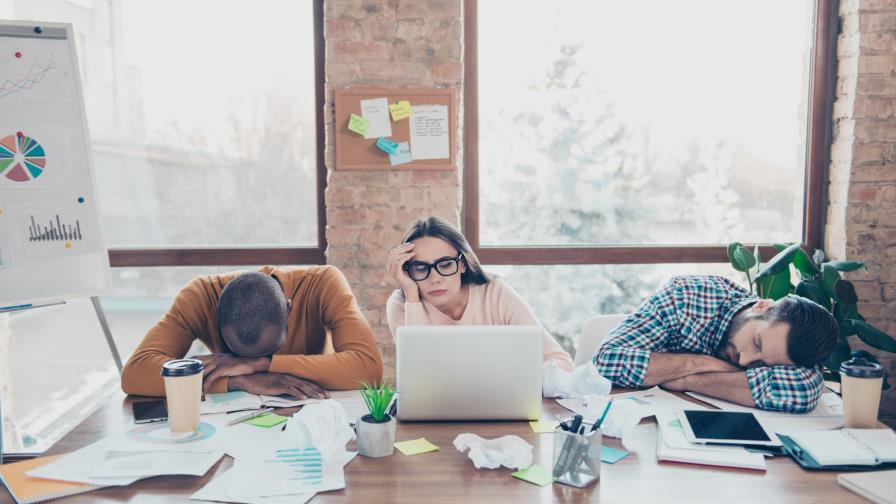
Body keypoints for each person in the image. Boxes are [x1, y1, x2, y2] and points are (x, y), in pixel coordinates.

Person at [120, 265, 383, 398]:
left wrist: (264, 364)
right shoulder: (200, 296)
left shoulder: (323, 283)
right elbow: (135, 374)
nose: (245, 365)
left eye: (270, 350)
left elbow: (367, 368)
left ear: (288, 309)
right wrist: (236, 381)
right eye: (238, 356)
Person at [594, 275, 839, 413]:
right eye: (756, 342)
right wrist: (699, 363)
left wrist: (686, 380)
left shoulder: (790, 347)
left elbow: (805, 389)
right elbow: (606, 361)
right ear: (761, 306)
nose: (744, 361)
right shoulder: (685, 298)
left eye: (761, 363)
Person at [385, 216, 574, 371]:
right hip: (437, 411)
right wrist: (411, 294)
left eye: (445, 265)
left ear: (462, 264)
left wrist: (518, 382)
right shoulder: (402, 303)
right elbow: (420, 374)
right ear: (407, 270)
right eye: (420, 268)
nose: (435, 278)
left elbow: (560, 362)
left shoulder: (495, 293)